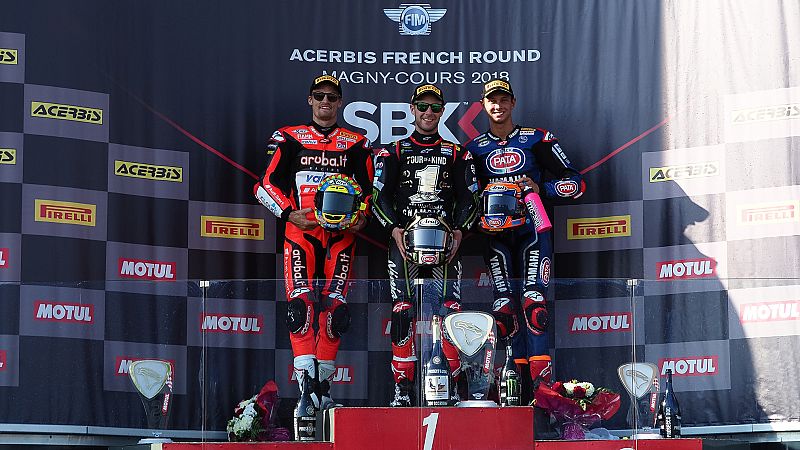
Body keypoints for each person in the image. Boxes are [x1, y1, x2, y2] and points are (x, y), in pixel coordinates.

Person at [253, 75, 373, 414]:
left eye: (332, 97)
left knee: (336, 313)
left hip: (342, 237)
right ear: (309, 100)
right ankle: (305, 386)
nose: (325, 102)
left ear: (340, 103)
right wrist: (291, 214)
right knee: (300, 310)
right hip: (302, 233)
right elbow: (264, 185)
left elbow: (369, 193)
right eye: (319, 96)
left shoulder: (357, 143)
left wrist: (361, 216)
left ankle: (325, 387)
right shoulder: (289, 137)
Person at [465, 79, 586, 399]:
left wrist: (538, 189)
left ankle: (543, 388)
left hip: (534, 229)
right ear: (483, 105)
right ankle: (513, 384)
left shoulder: (537, 139)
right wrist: (476, 219)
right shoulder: (474, 149)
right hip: (496, 236)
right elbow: (466, 197)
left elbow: (576, 182)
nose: (498, 105)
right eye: (492, 100)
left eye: (503, 99)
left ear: (513, 103)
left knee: (534, 303)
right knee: (504, 309)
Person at [372, 84, 480, 407]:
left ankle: (451, 382)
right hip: (404, 243)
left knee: (449, 314)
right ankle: (403, 388)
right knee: (403, 313)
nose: (429, 113)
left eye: (435, 107)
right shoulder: (393, 151)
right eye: (423, 106)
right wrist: (393, 230)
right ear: (412, 109)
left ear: (443, 111)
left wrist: (459, 232)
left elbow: (471, 199)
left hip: (446, 244)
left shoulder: (457, 152)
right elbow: (377, 198)